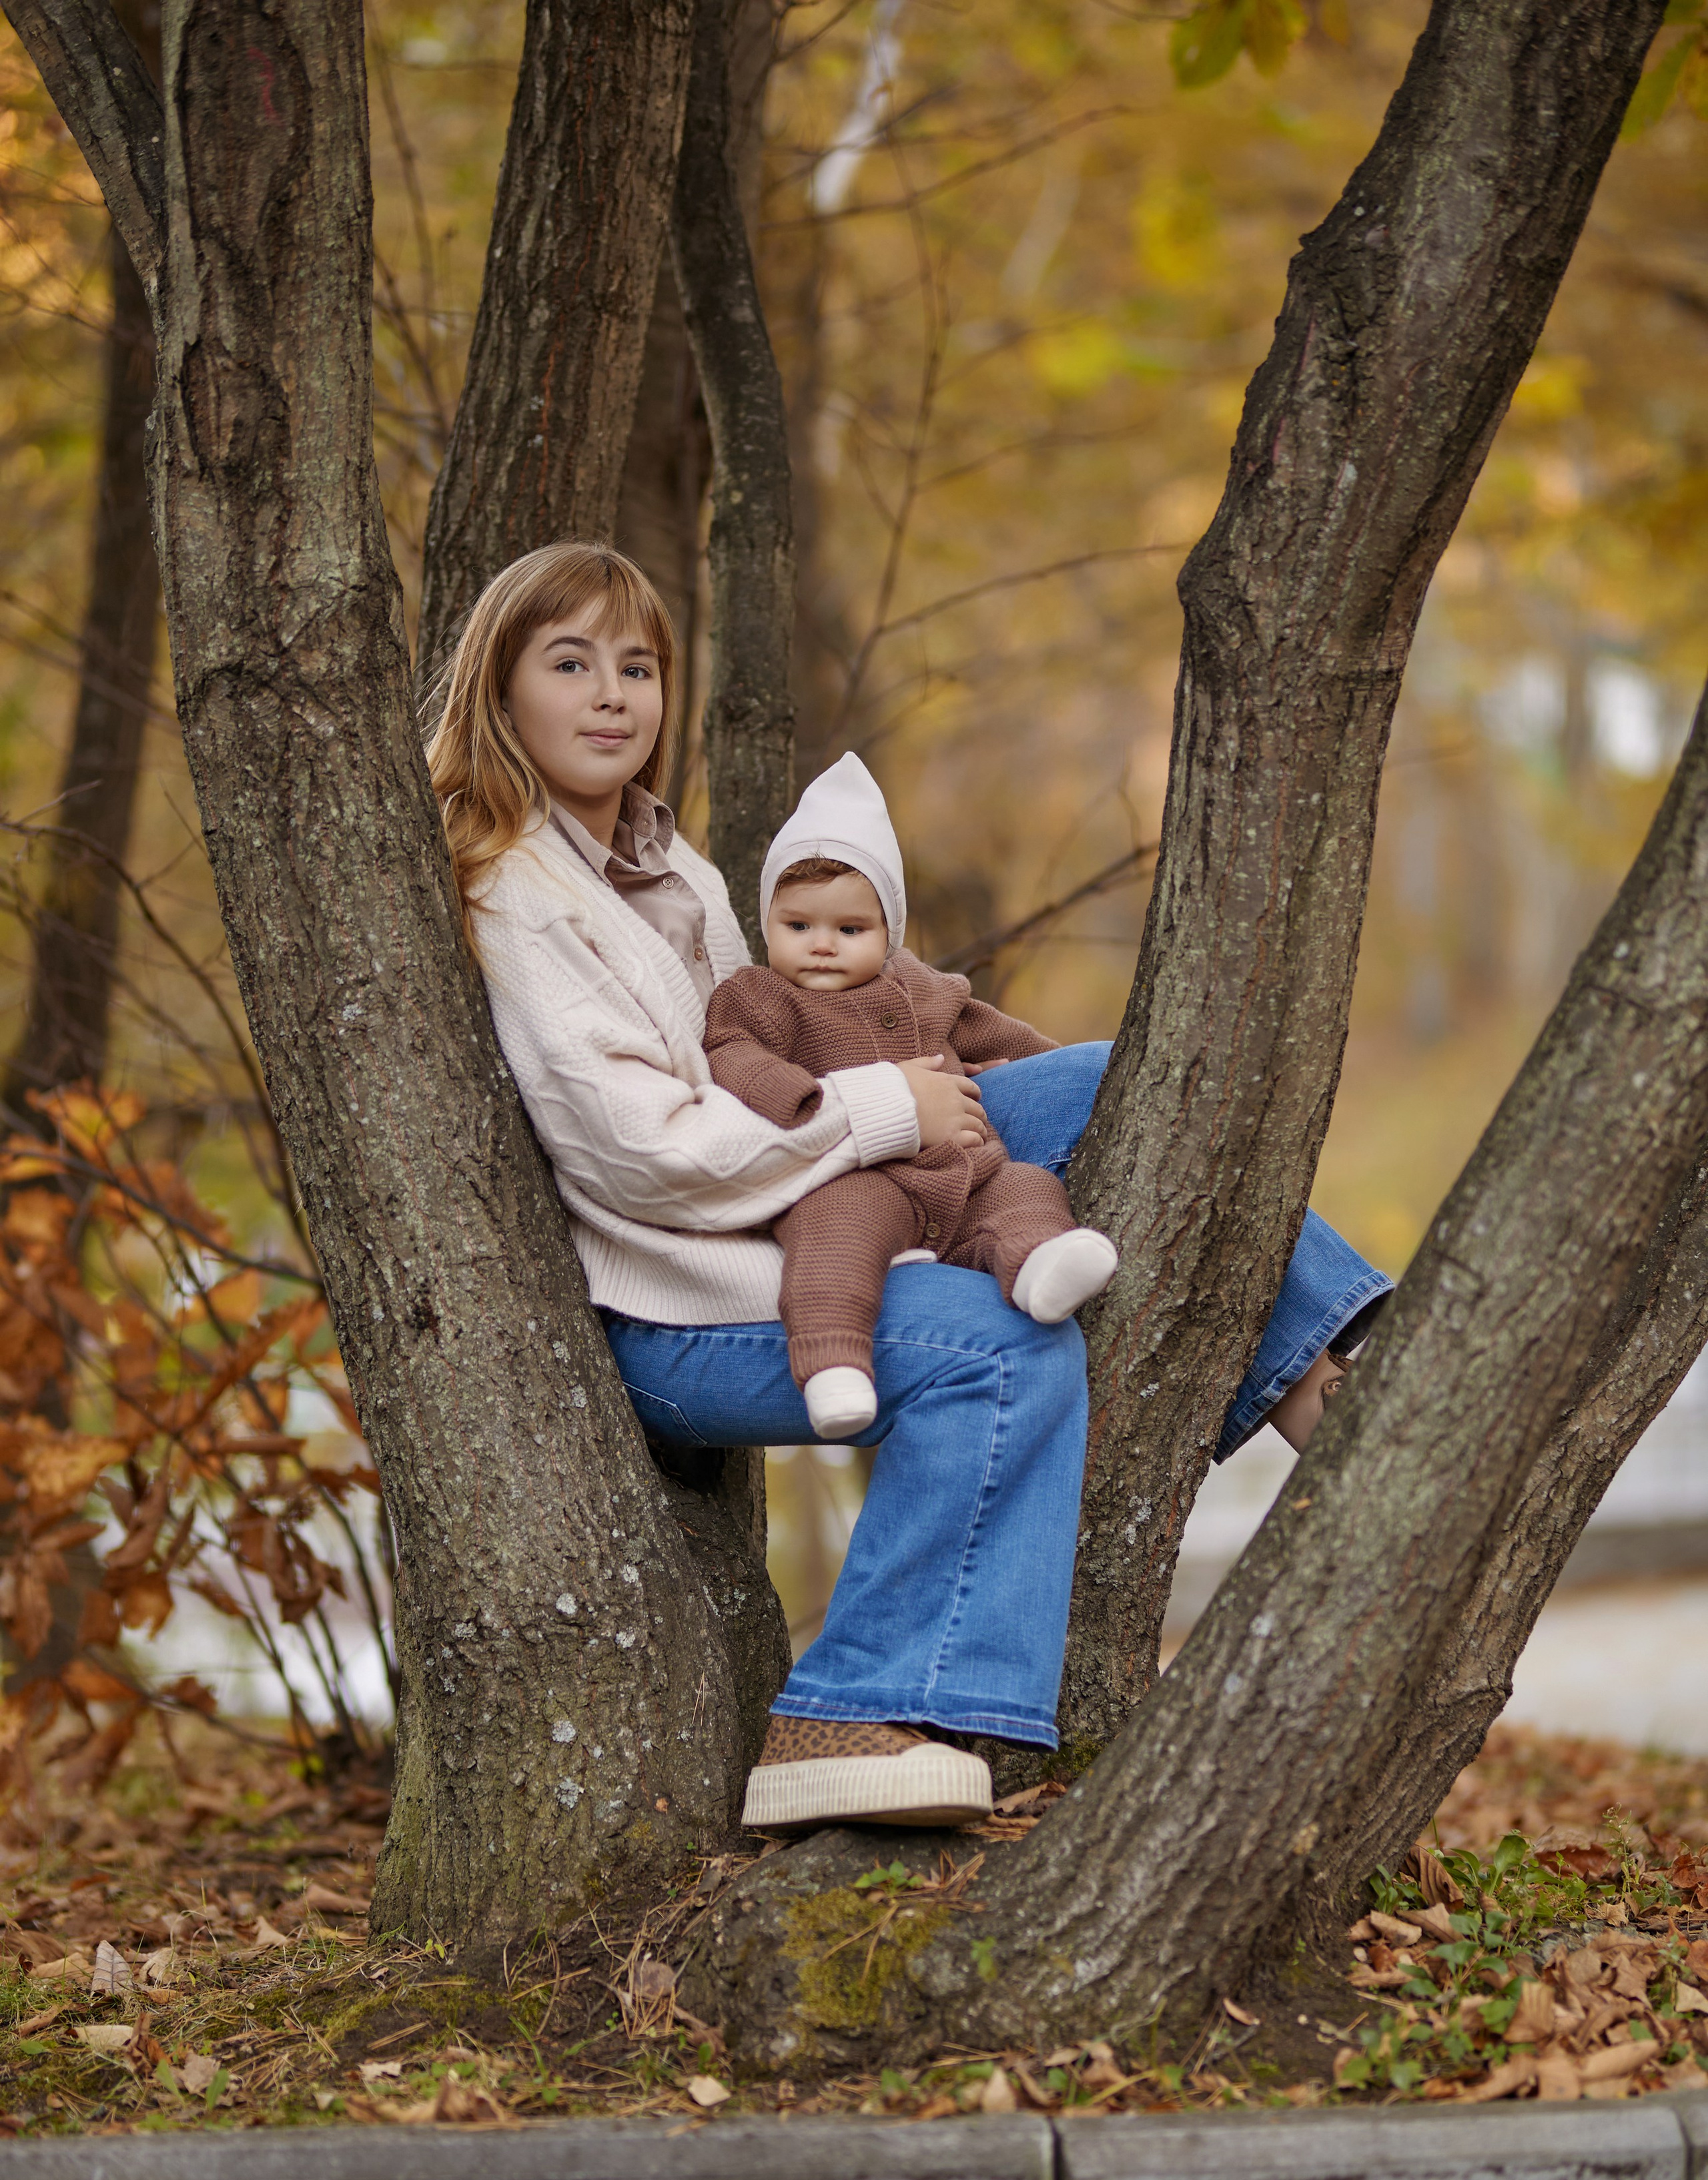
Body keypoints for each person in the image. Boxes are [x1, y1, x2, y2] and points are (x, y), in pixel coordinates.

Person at [429, 541, 1392, 1840]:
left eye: (636, 665)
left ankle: (1325, 1366)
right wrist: (892, 1112)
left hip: (795, 1211)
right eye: (569, 663)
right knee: (1001, 1351)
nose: (612, 694)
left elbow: (810, 1029)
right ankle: (842, 1705)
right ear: (500, 690)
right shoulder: (518, 896)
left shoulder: (680, 874)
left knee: (1124, 1087)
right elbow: (639, 1151)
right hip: (685, 1302)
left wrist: (923, 1048)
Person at [703, 752, 1118, 1441]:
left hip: (964, 1170)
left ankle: (1041, 1266)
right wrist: (799, 1096)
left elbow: (1002, 1038)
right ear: (768, 922)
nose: (822, 947)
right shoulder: (760, 995)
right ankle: (833, 1362)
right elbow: (732, 1056)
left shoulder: (925, 988)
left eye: (849, 930)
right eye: (798, 926)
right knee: (832, 1240)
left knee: (1022, 1192)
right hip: (855, 1175)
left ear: (888, 932)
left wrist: (1067, 1068)